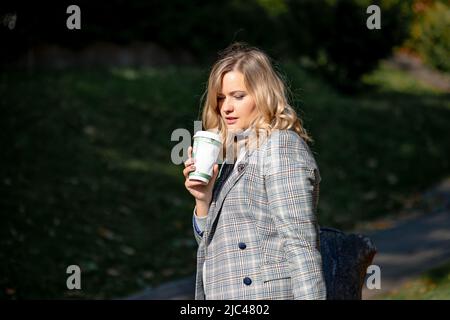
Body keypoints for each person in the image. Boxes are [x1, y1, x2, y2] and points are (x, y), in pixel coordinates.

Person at [182, 42, 326, 300]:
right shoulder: (231, 157)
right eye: (220, 97)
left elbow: (301, 245)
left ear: (263, 96)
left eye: (238, 96)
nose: (226, 107)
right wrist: (203, 199)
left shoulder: (280, 146)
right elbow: (216, 248)